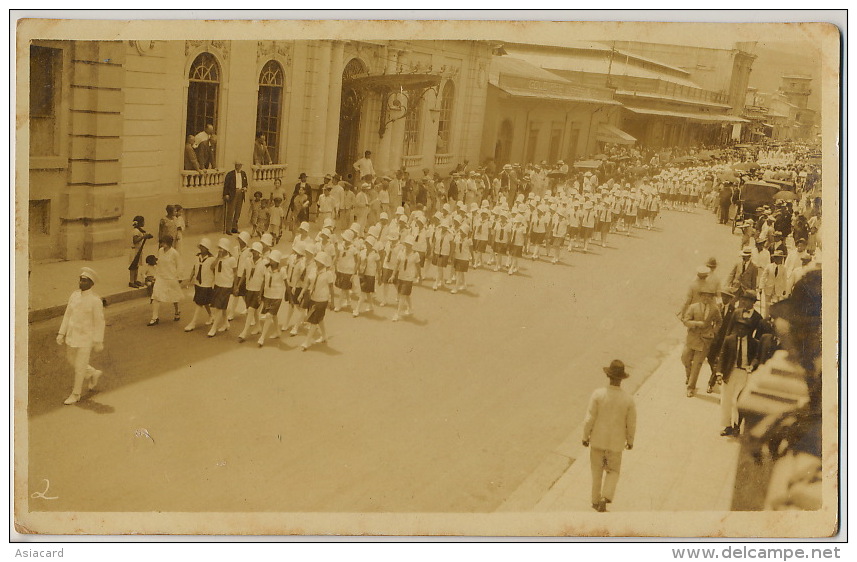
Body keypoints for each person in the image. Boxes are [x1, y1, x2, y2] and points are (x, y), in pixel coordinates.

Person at [582, 360, 637, 513]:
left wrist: (585, 437)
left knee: (596, 471)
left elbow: (589, 418)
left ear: (608, 376)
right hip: (616, 444)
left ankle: (594, 500)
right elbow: (631, 424)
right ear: (622, 379)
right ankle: (605, 497)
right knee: (613, 471)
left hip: (597, 441)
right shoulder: (628, 400)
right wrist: (630, 441)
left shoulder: (598, 394)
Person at [715, 291, 762, 436]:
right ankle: (728, 425)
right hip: (731, 368)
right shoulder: (736, 314)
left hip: (744, 371)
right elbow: (729, 331)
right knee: (726, 400)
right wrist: (719, 371)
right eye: (743, 300)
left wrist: (752, 365)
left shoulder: (757, 319)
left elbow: (757, 351)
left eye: (748, 300)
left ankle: (736, 426)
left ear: (753, 302)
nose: (745, 303)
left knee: (739, 400)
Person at [56, 267, 106, 405]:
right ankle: (92, 373)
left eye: (84, 281)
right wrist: (61, 332)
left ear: (91, 283)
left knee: (79, 366)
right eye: (80, 279)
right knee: (71, 359)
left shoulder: (95, 301)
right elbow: (67, 314)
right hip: (72, 336)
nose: (81, 283)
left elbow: (99, 322)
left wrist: (98, 341)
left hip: (86, 338)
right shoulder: (74, 295)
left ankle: (75, 394)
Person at [681, 288, 723, 397]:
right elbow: (685, 321)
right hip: (692, 338)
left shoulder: (714, 309)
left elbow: (719, 321)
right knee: (685, 358)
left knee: (697, 364)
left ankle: (691, 388)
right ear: (700, 296)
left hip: (705, 340)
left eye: (709, 296)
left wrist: (713, 332)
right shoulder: (693, 307)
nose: (706, 298)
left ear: (712, 298)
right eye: (704, 296)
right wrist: (696, 323)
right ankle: (689, 376)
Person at [301, 251, 336, 351]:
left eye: (318, 261)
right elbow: (308, 283)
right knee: (319, 318)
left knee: (313, 321)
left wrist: (332, 301)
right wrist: (301, 294)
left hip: (322, 299)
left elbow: (331, 288)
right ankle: (324, 336)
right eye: (316, 260)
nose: (316, 262)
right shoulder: (313, 270)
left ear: (323, 263)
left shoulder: (328, 274)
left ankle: (307, 342)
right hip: (313, 297)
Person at [149, 234, 183, 326]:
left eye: (163, 242)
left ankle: (177, 311)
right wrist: (155, 276)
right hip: (161, 277)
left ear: (168, 243)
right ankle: (154, 317)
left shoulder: (174, 253)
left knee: (174, 297)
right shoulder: (160, 251)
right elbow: (159, 264)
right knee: (156, 296)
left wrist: (179, 277)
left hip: (171, 277)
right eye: (161, 242)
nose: (162, 244)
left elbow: (179, 265)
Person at [184, 238, 215, 332]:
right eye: (201, 246)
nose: (201, 248)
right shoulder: (197, 257)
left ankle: (193, 323)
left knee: (199, 303)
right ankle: (211, 316)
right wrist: (190, 278)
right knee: (204, 302)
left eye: (204, 247)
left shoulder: (211, 259)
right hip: (198, 283)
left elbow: (215, 271)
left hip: (206, 284)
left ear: (207, 248)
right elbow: (194, 268)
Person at [207, 238, 237, 338]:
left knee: (219, 307)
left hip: (226, 285)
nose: (220, 250)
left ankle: (214, 328)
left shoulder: (231, 259)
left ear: (226, 249)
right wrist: (217, 258)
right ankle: (226, 323)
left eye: (222, 248)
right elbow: (211, 267)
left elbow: (235, 273)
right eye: (219, 248)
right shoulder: (217, 257)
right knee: (222, 307)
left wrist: (235, 286)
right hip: (218, 284)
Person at [223, 161, 249, 234]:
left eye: (239, 165)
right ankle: (228, 229)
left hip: (241, 193)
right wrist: (226, 194)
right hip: (232, 193)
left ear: (241, 166)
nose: (237, 166)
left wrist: (245, 188)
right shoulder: (230, 174)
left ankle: (234, 227)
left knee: (238, 211)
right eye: (236, 165)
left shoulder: (243, 174)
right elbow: (226, 186)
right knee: (231, 211)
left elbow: (246, 184)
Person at [128, 215, 153, 288]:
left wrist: (147, 236)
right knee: (133, 266)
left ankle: (135, 280)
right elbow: (135, 240)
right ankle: (131, 281)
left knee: (136, 265)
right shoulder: (135, 231)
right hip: (134, 250)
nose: (144, 222)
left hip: (138, 250)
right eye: (143, 221)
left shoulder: (139, 230)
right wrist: (143, 237)